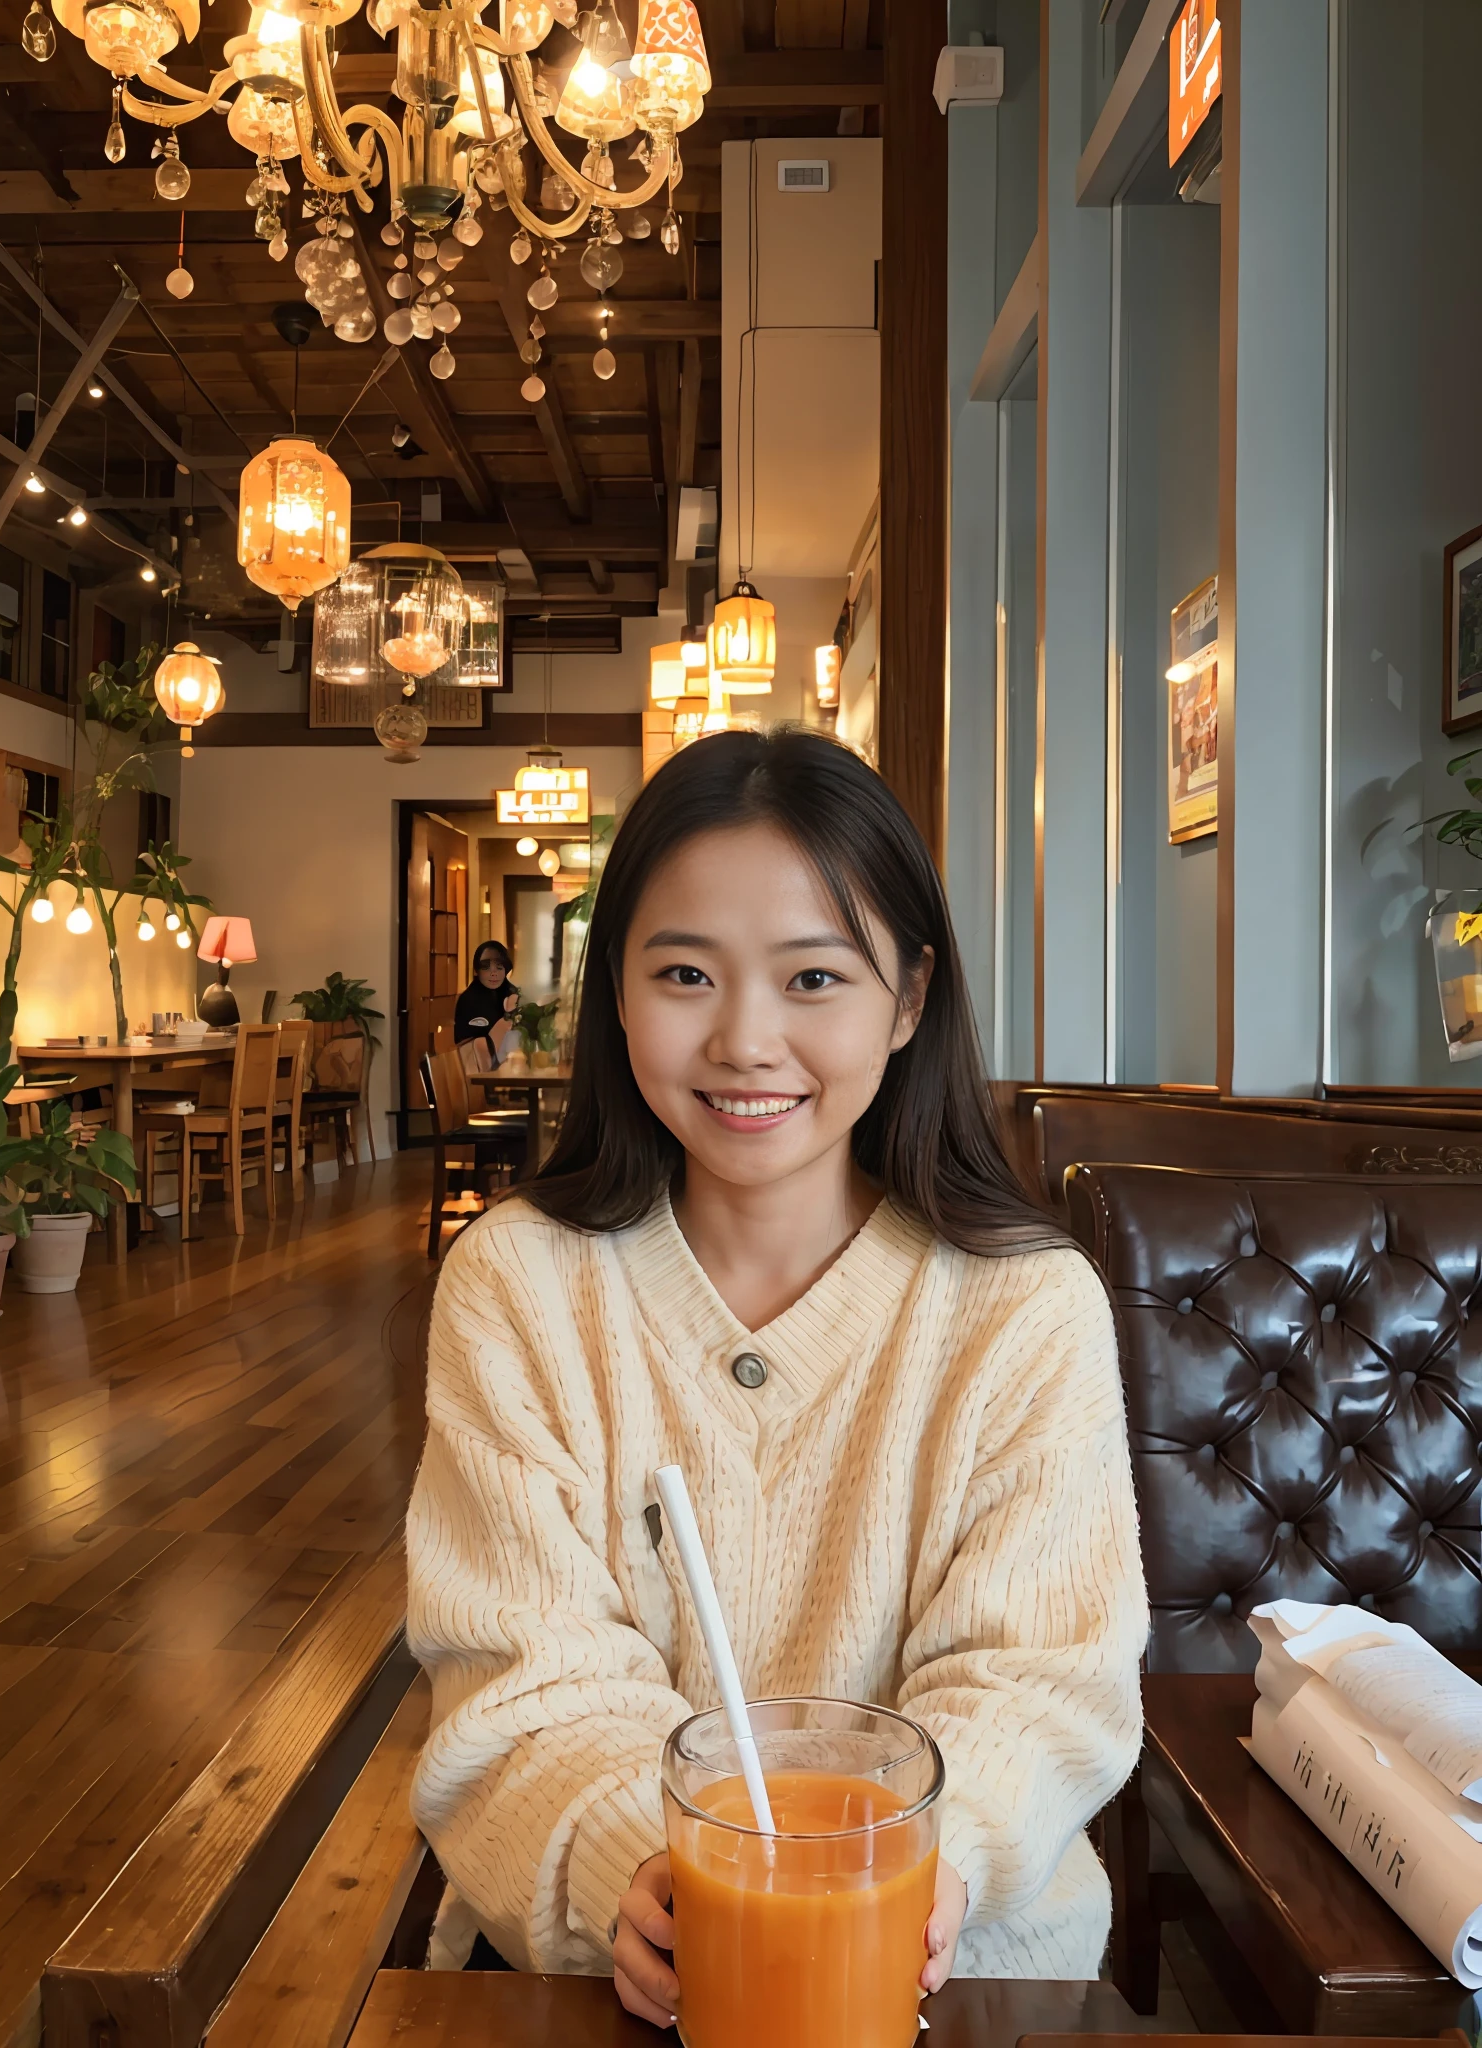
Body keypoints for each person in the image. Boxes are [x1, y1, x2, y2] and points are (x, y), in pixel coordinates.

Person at [407, 729, 1147, 2013]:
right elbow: (518, 1670)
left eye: (814, 977)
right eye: (685, 970)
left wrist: (927, 1855)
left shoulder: (1025, 1307)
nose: (747, 1039)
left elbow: (1042, 1678)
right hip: (605, 1975)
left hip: (963, 1974)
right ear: (617, 994)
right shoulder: (522, 1284)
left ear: (909, 998)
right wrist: (624, 1856)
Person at [453, 940, 519, 1062]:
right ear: (476, 971)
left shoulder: (515, 996)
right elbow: (463, 1045)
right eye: (486, 968)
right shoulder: (467, 1000)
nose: (493, 973)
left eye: (499, 967)